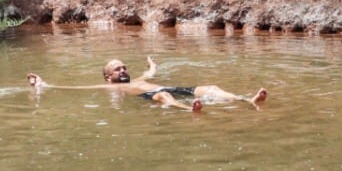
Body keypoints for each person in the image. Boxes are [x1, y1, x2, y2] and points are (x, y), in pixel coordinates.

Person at [24, 58, 268, 110]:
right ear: (108, 77)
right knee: (163, 98)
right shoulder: (110, 88)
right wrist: (43, 85)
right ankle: (189, 110)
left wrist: (151, 65)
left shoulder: (139, 79)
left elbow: (151, 71)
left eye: (124, 67)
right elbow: (74, 90)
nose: (123, 70)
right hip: (154, 96)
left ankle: (246, 100)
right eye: (117, 69)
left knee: (210, 88)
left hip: (167, 87)